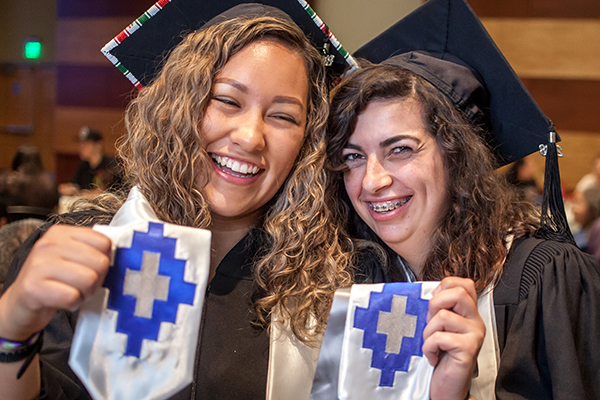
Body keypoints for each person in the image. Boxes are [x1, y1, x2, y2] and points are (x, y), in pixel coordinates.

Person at [0, 2, 357, 399]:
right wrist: (11, 329)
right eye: (227, 101)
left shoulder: (326, 289)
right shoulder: (82, 248)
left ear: (306, 142)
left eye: (283, 117)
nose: (251, 137)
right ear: (179, 107)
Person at [325, 0, 600, 399]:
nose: (372, 180)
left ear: (457, 157)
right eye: (352, 156)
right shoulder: (351, 283)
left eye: (400, 149)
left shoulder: (543, 280)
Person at [57, 127, 122, 197]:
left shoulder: (111, 165)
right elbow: (75, 184)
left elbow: (106, 194)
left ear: (98, 145)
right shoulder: (83, 165)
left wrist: (79, 193)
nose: (81, 147)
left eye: (86, 144)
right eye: (80, 144)